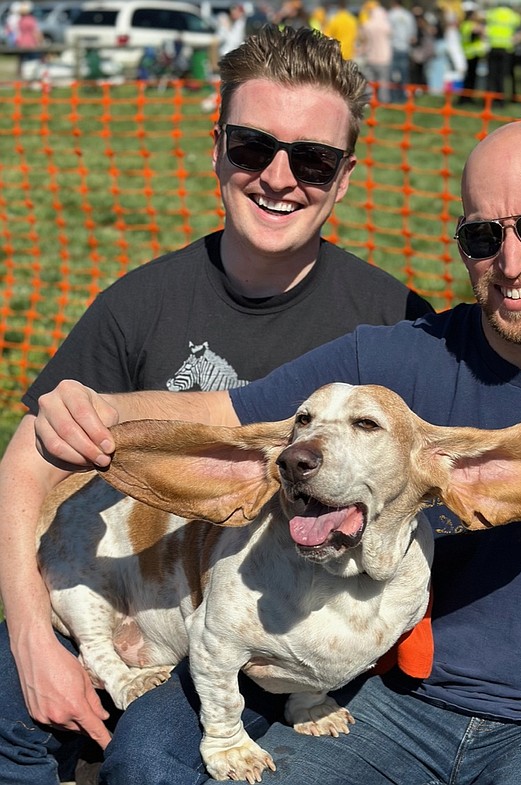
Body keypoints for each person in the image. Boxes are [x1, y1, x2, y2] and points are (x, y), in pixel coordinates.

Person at [34, 119, 521, 785]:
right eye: (483, 236)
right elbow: (232, 420)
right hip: (398, 702)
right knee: (159, 760)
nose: (511, 263)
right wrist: (91, 406)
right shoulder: (393, 360)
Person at [0, 24, 434, 785]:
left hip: (279, 631)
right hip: (133, 591)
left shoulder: (396, 321)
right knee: (8, 709)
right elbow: (22, 468)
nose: (277, 176)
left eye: (313, 159)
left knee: (151, 759)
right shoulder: (140, 303)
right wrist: (35, 640)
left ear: (345, 176)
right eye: (250, 147)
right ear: (217, 147)